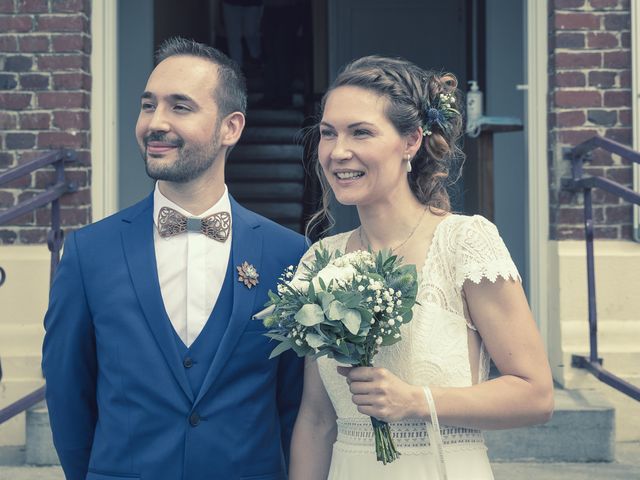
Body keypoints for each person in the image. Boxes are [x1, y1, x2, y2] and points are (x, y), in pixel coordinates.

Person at [42, 37, 306, 480]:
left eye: (180, 107)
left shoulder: (287, 254)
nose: (154, 123)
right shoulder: (89, 252)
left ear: (231, 128)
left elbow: (294, 404)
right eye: (148, 105)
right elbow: (68, 392)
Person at [288, 56, 554, 479]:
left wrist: (415, 401)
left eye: (361, 132)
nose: (338, 152)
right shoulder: (320, 261)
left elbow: (535, 395)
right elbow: (318, 419)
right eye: (328, 133)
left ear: (411, 140)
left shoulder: (464, 243)